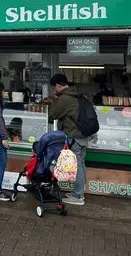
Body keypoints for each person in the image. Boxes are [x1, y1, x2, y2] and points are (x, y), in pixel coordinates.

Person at [48, 73, 88, 206]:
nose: (55, 90)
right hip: (83, 134)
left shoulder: (65, 98)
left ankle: (77, 196)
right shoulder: (76, 94)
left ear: (59, 85)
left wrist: (54, 102)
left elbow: (53, 114)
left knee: (77, 166)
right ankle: (79, 193)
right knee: (81, 164)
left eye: (55, 87)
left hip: (74, 135)